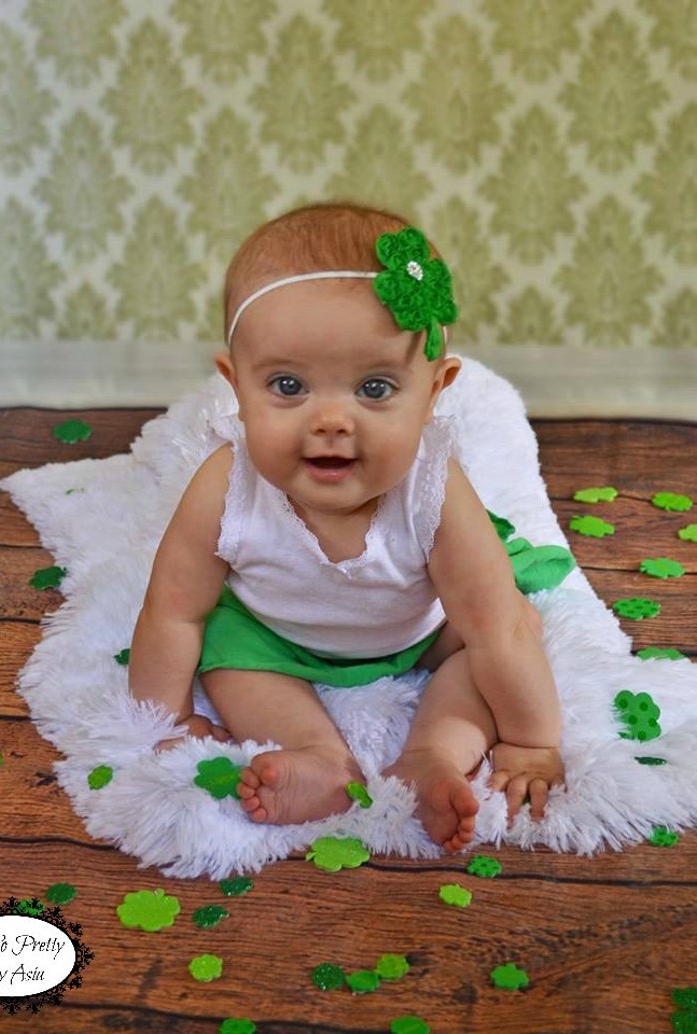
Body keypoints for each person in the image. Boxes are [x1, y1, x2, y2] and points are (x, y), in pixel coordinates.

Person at [128, 202, 564, 852]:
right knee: (221, 649)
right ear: (236, 386)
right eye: (287, 385)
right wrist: (166, 721)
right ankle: (318, 756)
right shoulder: (226, 486)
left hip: (419, 633)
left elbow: (494, 628)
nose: (331, 420)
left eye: (376, 389)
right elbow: (172, 612)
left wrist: (532, 741)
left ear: (435, 390)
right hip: (273, 637)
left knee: (504, 633)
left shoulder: (434, 491)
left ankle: (432, 754)